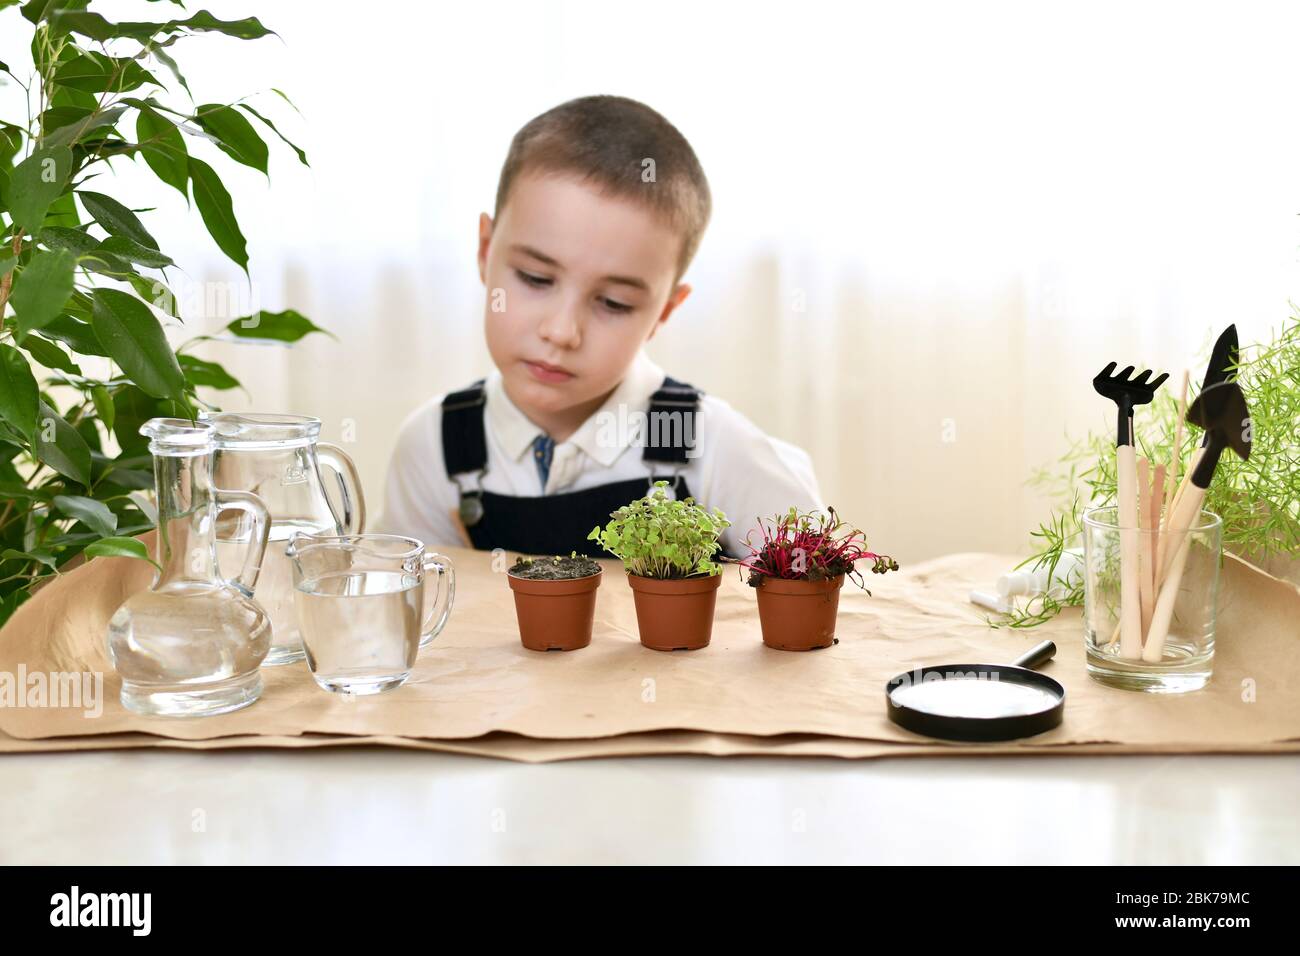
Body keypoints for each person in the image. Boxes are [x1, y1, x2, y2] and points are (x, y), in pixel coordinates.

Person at [378, 95, 822, 558]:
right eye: (535, 278)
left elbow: (815, 586)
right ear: (486, 252)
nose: (562, 331)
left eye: (614, 303)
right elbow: (416, 617)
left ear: (664, 312)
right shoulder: (435, 447)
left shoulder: (712, 447)